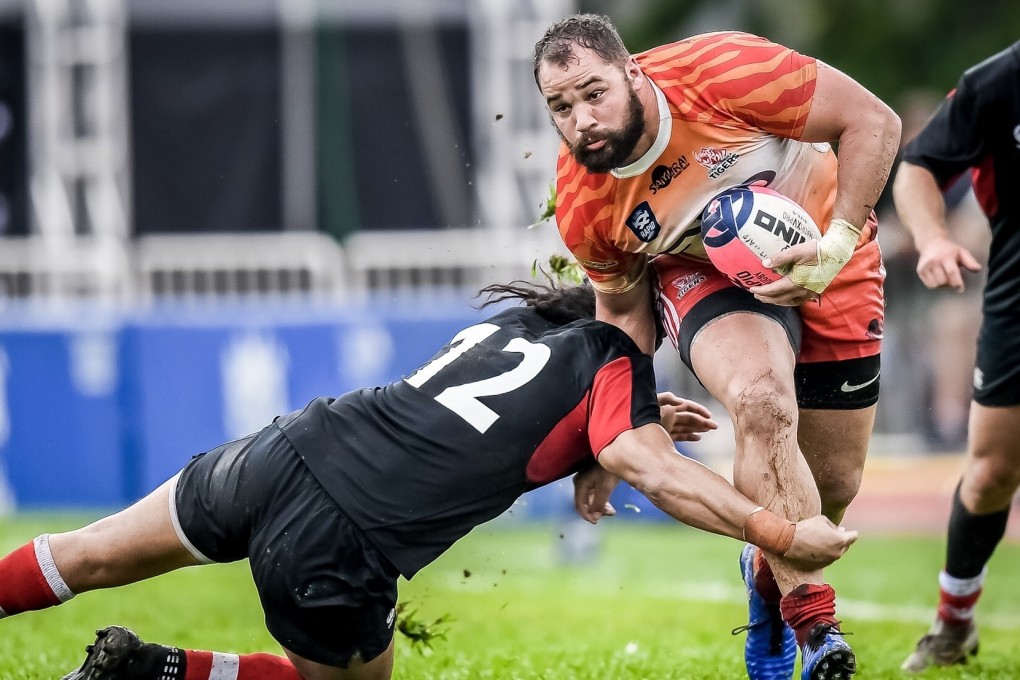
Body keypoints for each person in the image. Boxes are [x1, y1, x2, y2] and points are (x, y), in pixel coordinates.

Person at [0, 280, 857, 680]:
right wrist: (782, 532)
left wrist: (604, 444)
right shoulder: (614, 364)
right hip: (341, 532)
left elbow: (516, 416)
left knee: (87, 553)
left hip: (280, 450)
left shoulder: (514, 327)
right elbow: (657, 474)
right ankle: (155, 672)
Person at [532, 14, 900, 680]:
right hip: (704, 276)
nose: (581, 119)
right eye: (561, 107)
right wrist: (619, 433)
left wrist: (837, 245)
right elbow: (622, 318)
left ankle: (764, 581)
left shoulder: (723, 71)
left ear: (632, 72)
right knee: (761, 401)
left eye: (594, 93)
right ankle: (815, 627)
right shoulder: (585, 205)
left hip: (832, 243)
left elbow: (875, 122)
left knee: (833, 487)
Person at [893, 40, 1020, 673]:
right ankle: (954, 618)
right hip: (1017, 290)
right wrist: (933, 239)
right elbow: (918, 167)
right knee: (994, 469)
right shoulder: (997, 83)